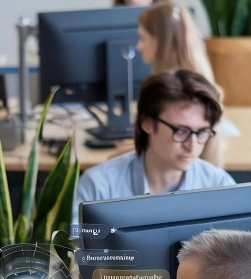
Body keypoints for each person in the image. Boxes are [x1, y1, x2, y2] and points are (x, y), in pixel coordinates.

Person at [74, 69, 234, 221]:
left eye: (202, 132)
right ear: (147, 123)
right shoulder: (97, 188)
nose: (192, 146)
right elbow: (73, 247)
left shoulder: (219, 185)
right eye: (181, 131)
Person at [136, 2, 224, 165]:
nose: (139, 46)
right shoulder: (193, 76)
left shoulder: (185, 90)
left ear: (160, 42)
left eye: (143, 38)